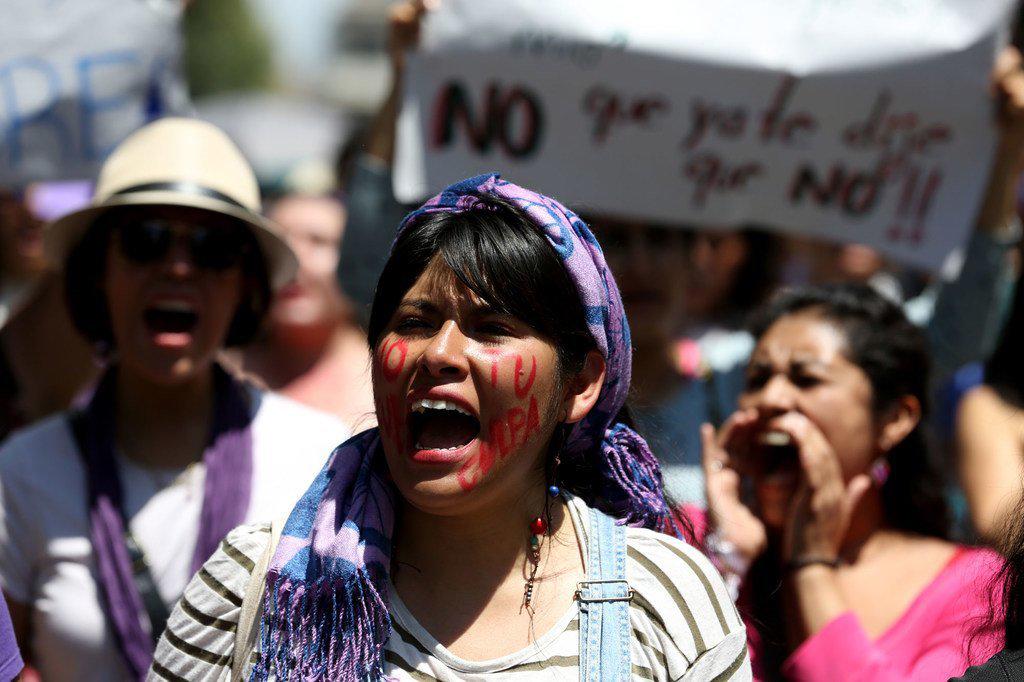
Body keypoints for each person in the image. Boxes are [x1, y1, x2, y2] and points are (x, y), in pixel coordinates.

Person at [151, 174, 751, 681]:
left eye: (492, 328)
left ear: (581, 384)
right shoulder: (258, 586)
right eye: (414, 321)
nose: (439, 353)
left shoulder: (664, 601)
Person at [0, 118, 350, 681]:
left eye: (212, 249)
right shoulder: (22, 472)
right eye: (146, 241)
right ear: (98, 274)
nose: (178, 267)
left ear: (247, 285)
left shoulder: (321, 458)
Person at [702, 283, 1003, 680]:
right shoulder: (696, 541)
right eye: (758, 378)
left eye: (806, 378)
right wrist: (727, 560)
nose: (771, 398)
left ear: (895, 419)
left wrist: (811, 565)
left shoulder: (977, 586)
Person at [241, 190, 375, 431]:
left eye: (318, 241)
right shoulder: (218, 374)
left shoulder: (385, 382)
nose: (295, 260)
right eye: (280, 242)